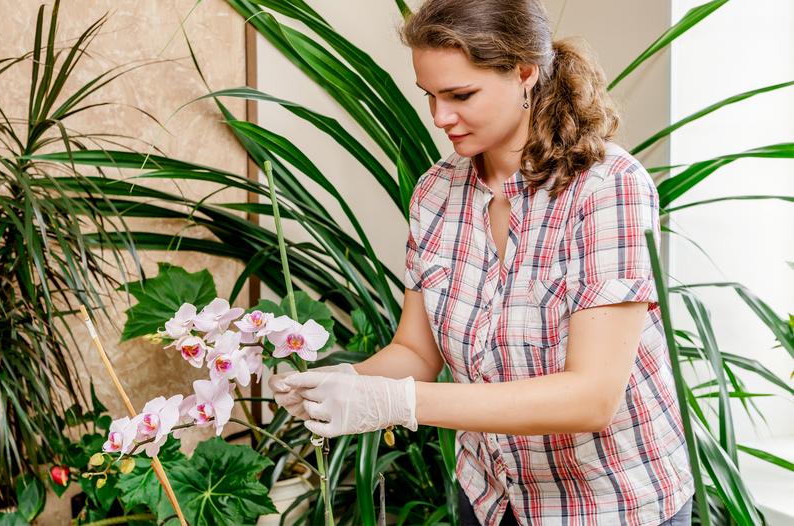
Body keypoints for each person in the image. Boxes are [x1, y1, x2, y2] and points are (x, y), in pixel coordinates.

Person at [268, 0, 694, 524]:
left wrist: (398, 403)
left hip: (609, 502)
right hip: (492, 495)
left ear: (524, 72)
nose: (440, 117)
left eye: (460, 95)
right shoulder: (435, 192)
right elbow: (415, 351)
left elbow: (590, 398)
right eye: (430, 96)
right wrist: (341, 383)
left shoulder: (608, 189)